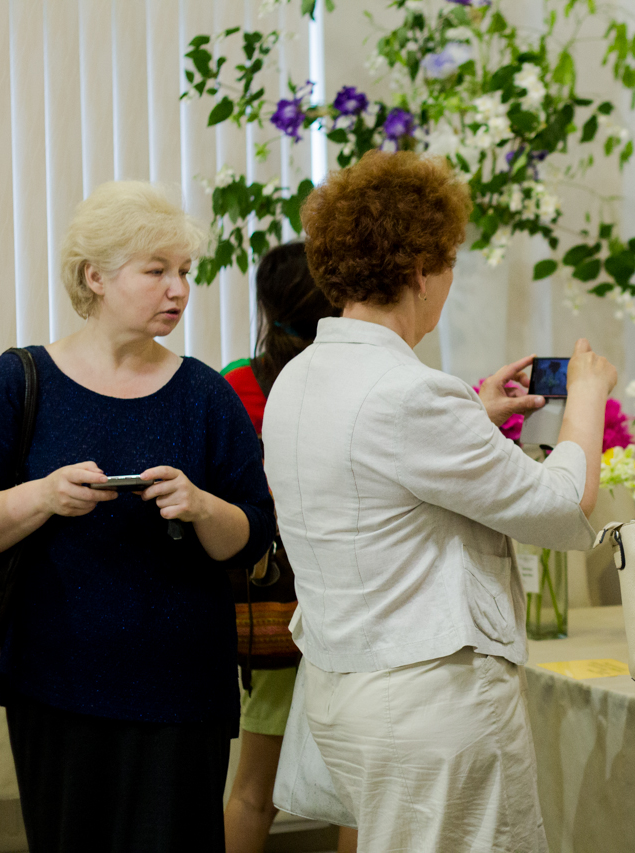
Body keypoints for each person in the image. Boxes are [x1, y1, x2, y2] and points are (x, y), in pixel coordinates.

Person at [262, 150, 617, 853]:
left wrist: (471, 416)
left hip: (345, 689)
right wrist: (587, 396)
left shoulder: (299, 378)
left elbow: (371, 472)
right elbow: (566, 508)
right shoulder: (412, 394)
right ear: (422, 271)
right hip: (428, 700)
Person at [0, 182, 276, 853]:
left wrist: (202, 506)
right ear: (95, 276)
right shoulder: (17, 382)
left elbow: (253, 534)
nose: (178, 289)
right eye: (156, 271)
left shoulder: (205, 394)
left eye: (184, 271)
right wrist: (41, 497)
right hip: (56, 685)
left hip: (185, 690)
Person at [220, 243, 356, 853]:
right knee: (360, 794)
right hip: (353, 600)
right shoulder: (361, 380)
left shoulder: (236, 384)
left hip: (273, 603)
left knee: (254, 791)